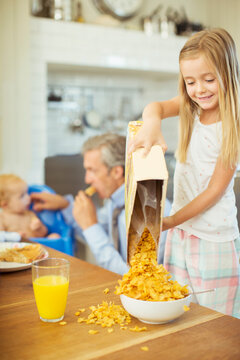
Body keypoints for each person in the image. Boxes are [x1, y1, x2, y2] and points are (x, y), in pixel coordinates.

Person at [128, 28, 240, 318]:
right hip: (181, 233)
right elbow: (154, 107)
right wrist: (152, 123)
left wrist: (172, 220)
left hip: (213, 239)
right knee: (182, 312)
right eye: (190, 81)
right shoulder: (191, 109)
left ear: (228, 72)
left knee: (216, 321)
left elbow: (215, 191)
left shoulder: (233, 125)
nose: (199, 89)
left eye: (208, 79)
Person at [30, 133, 172, 275]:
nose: (87, 179)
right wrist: (66, 206)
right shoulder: (114, 202)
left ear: (117, 171)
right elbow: (95, 234)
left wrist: (90, 226)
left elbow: (132, 278)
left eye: (92, 170)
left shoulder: (146, 212)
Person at [0, 174, 60, 239]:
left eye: (27, 193)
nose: (28, 198)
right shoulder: (2, 219)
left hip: (36, 246)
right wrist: (14, 236)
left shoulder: (30, 214)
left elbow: (43, 234)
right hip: (16, 247)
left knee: (55, 236)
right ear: (5, 204)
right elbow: (2, 238)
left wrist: (39, 228)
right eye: (22, 196)